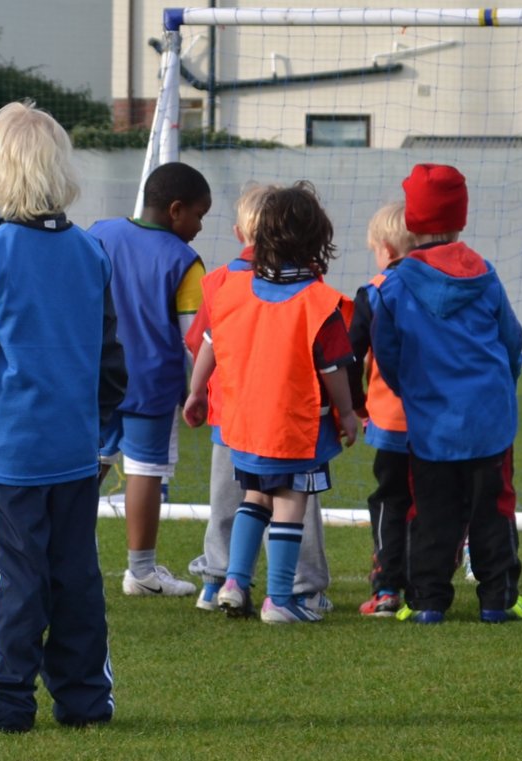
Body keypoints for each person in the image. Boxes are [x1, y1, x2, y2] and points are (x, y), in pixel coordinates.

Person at [0, 101, 127, 732]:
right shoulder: (91, 252)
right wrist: (102, 435)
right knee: (75, 580)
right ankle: (86, 700)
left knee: (14, 579)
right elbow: (110, 359)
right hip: (74, 450)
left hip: (10, 453)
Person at [181, 180, 359, 625]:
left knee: (254, 496)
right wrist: (348, 412)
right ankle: (281, 599)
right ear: (317, 240)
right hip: (295, 425)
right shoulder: (319, 302)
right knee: (290, 500)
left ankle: (234, 582)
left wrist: (197, 391)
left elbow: (208, 346)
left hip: (243, 424)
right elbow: (334, 369)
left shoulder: (231, 290)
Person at [370, 163, 522, 624]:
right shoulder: (485, 273)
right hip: (489, 420)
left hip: (431, 422)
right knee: (493, 508)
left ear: (411, 220)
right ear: (461, 217)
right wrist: (499, 389)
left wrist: (412, 391)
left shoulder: (395, 285)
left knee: (431, 512)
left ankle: (427, 602)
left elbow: (387, 351)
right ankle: (499, 600)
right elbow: (511, 340)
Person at [89, 162, 211, 598]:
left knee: (88, 466)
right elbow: (196, 340)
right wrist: (202, 390)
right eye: (199, 214)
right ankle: (141, 571)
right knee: (146, 472)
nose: (200, 226)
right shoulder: (185, 261)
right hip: (151, 384)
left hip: (95, 380)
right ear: (176, 210)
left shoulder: (97, 235)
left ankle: (62, 553)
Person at [348, 201, 418, 617]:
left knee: (390, 501)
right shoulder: (444, 284)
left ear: (387, 249)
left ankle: (387, 589)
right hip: (441, 420)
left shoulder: (373, 292)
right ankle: (427, 588)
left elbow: (349, 356)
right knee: (432, 501)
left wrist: (356, 405)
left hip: (392, 421)